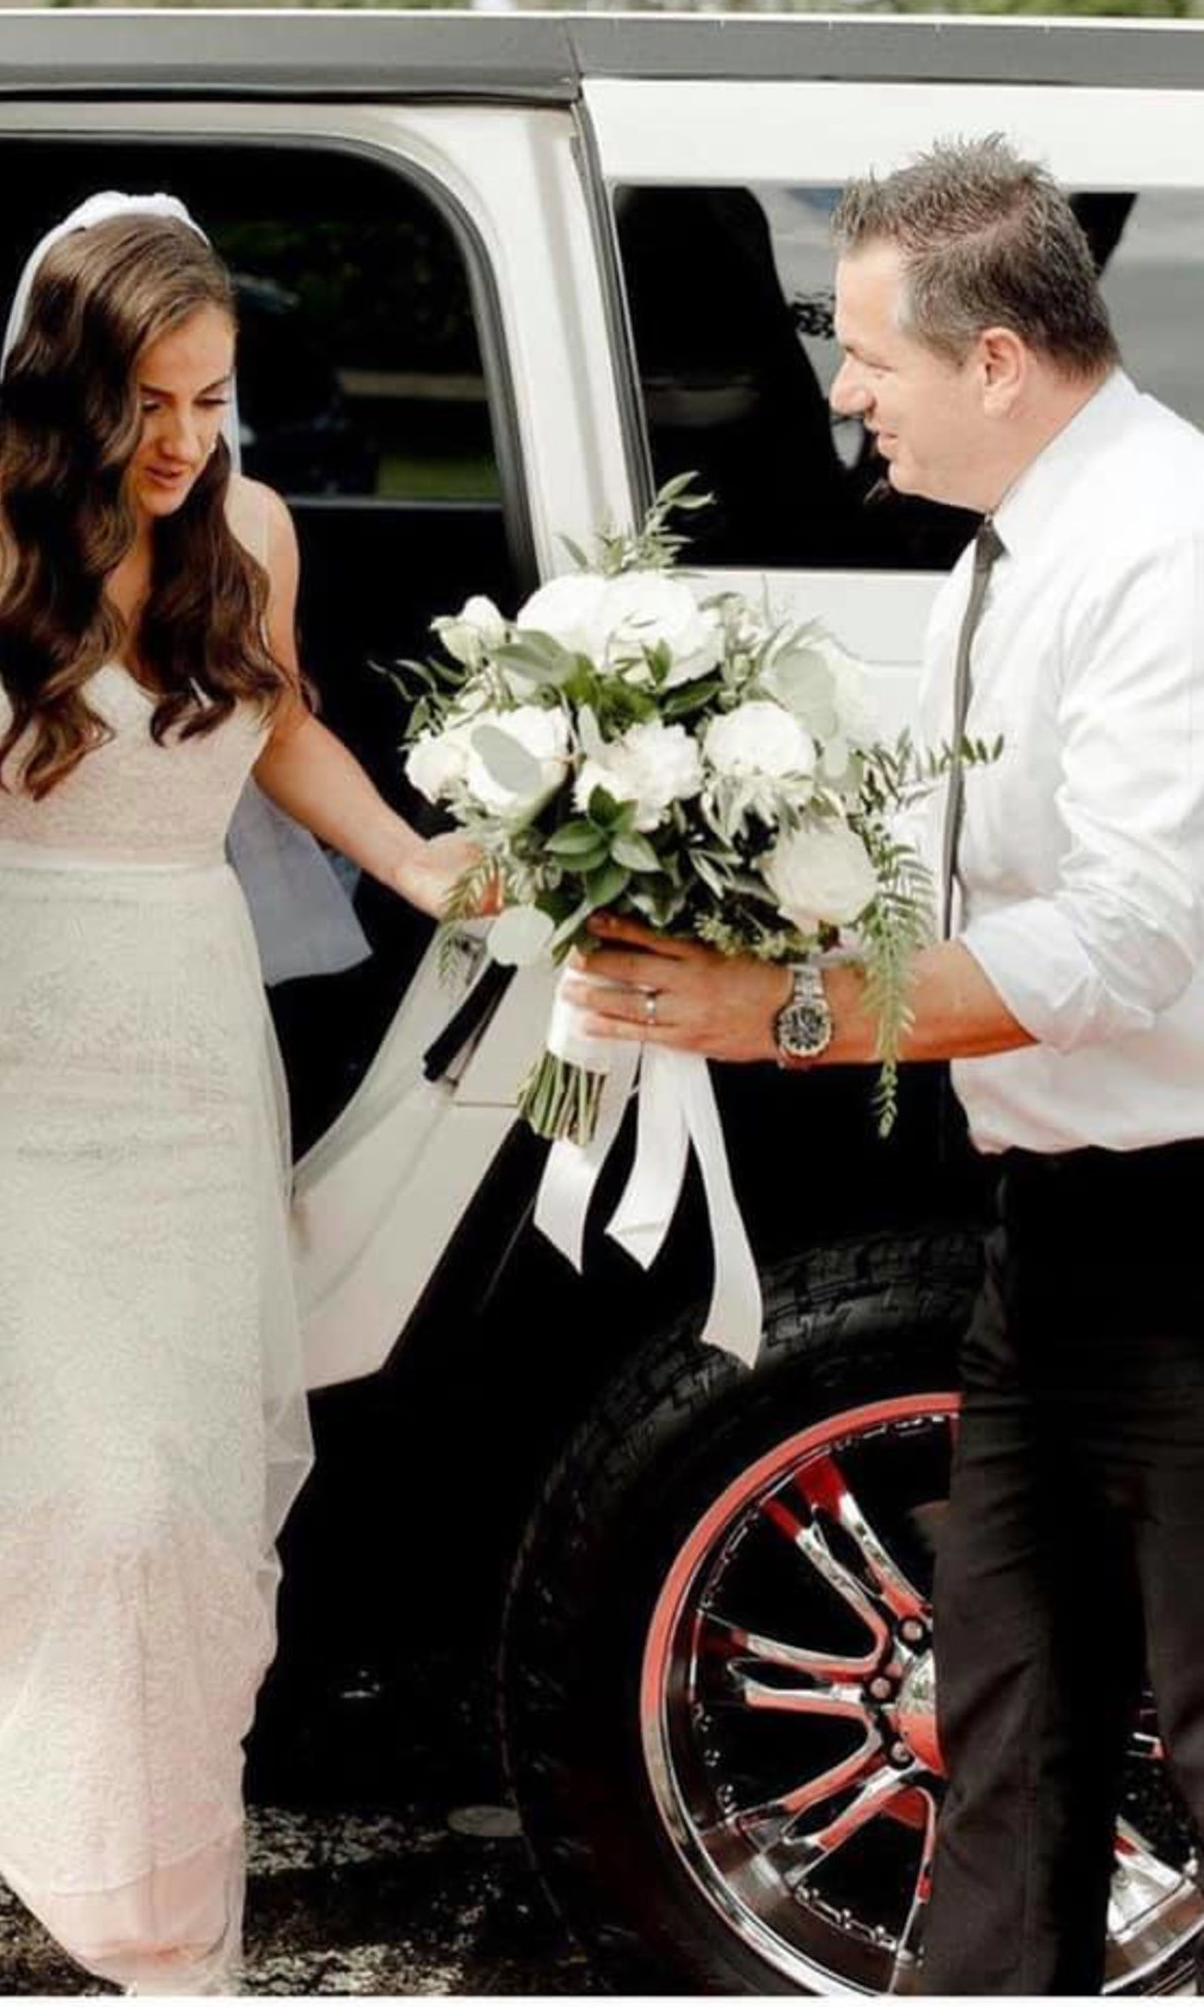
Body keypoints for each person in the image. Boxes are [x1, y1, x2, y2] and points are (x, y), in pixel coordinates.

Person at [0, 197, 482, 1994]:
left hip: (180, 1050)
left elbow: (280, 724)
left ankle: (168, 1929)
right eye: (151, 404)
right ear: (70, 388)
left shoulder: (255, 534)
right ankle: (50, 1797)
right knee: (74, 1471)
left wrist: (424, 866)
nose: (184, 443)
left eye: (214, 402)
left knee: (177, 1503)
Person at [562, 134, 1204, 1993]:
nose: (839, 391)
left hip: (1191, 1246)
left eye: (867, 355)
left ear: (997, 360)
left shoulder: (1166, 548)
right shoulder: (1010, 549)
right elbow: (949, 866)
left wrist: (788, 1017)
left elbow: (1129, 939)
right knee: (1010, 1742)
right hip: (1056, 1249)